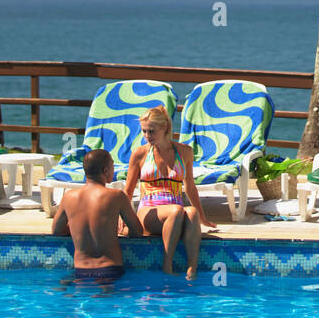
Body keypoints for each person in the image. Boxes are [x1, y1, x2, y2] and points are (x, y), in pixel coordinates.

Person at [125, 105, 216, 279]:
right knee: (176, 210)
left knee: (191, 212)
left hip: (176, 213)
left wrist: (202, 218)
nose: (146, 136)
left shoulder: (184, 152)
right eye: (143, 131)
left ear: (164, 127)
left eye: (151, 131)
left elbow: (190, 187)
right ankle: (167, 265)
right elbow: (128, 191)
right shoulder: (140, 154)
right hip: (149, 211)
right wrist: (121, 218)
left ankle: (192, 269)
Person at [51, 148, 142, 284]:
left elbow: (56, 231)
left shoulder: (69, 197)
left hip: (80, 271)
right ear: (106, 170)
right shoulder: (116, 196)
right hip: (110, 270)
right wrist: (123, 230)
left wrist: (76, 228)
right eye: (112, 166)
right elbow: (137, 231)